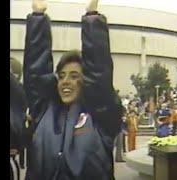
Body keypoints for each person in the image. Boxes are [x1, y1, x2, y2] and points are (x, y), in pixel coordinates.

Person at [23, 0, 123, 179]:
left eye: (74, 76)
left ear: (86, 81)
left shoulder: (100, 114)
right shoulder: (44, 110)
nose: (65, 81)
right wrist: (38, 16)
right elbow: (35, 71)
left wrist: (92, 17)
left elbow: (99, 73)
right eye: (61, 76)